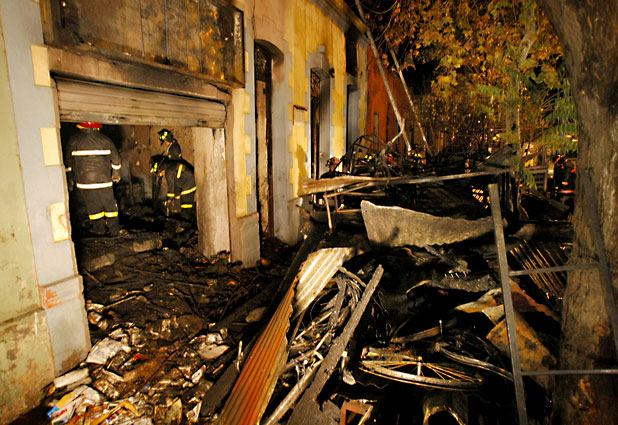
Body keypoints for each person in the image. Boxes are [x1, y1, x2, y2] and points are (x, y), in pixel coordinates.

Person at [65, 121, 122, 236]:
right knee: (110, 205)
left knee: (93, 206)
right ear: (97, 128)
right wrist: (116, 175)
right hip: (104, 181)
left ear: (81, 127)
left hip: (84, 182)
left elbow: (68, 163)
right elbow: (116, 160)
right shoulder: (105, 140)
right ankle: (114, 229)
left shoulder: (74, 140)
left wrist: (70, 179)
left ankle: (99, 229)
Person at [150, 156, 196, 220]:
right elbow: (175, 187)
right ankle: (181, 216)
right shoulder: (170, 166)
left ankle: (186, 220)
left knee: (185, 202)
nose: (161, 174)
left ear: (161, 169)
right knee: (178, 196)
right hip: (186, 182)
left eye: (159, 173)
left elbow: (171, 187)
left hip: (189, 183)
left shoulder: (168, 172)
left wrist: (169, 200)